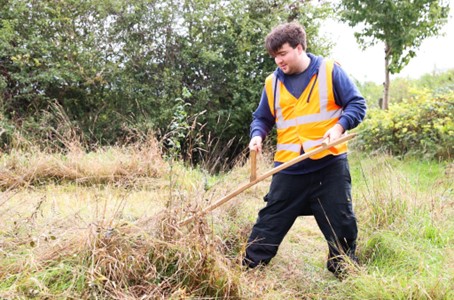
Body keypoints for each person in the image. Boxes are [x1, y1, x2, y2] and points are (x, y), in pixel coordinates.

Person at [243, 22, 367, 278]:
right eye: (274, 56)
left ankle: (344, 269)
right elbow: (262, 118)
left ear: (299, 48)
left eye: (283, 53)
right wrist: (257, 135)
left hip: (329, 164)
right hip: (289, 167)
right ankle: (249, 271)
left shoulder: (329, 70)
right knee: (269, 222)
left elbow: (356, 104)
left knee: (342, 224)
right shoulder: (272, 83)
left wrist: (338, 128)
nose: (278, 60)